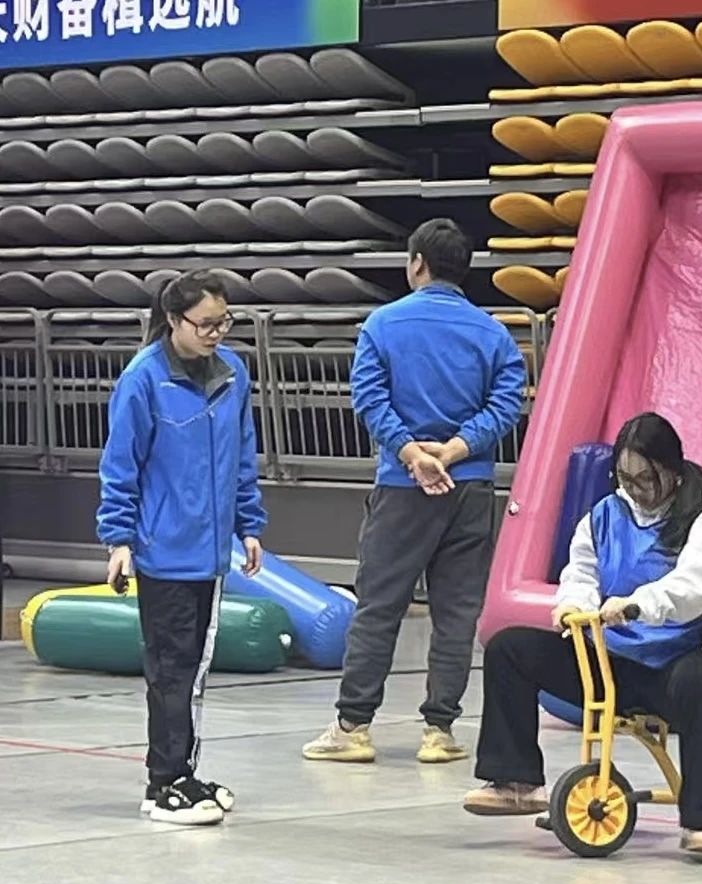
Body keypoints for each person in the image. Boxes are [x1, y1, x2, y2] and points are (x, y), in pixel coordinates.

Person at [464, 412, 702, 863]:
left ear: (672, 470)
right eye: (625, 478)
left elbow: (699, 585)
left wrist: (637, 604)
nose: (635, 489)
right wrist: (572, 605)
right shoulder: (605, 515)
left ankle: (700, 821)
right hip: (610, 663)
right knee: (509, 649)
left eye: (646, 478)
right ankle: (516, 780)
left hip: (674, 663)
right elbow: (581, 572)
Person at [303, 218, 526, 765]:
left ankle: (353, 727)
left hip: (402, 489)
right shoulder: (492, 333)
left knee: (379, 606)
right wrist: (455, 450)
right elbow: (506, 403)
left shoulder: (383, 324)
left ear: (417, 263)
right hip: (469, 487)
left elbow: (369, 398)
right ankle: (440, 731)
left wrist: (412, 454)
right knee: (456, 612)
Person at [97, 270, 266, 825]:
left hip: (210, 555)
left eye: (224, 322)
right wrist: (119, 539)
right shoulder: (143, 378)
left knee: (193, 672)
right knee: (170, 670)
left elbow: (243, 458)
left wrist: (249, 525)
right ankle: (163, 782)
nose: (216, 333)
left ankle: (185, 772)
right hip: (163, 551)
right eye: (205, 324)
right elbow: (121, 464)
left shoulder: (232, 374)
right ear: (173, 321)